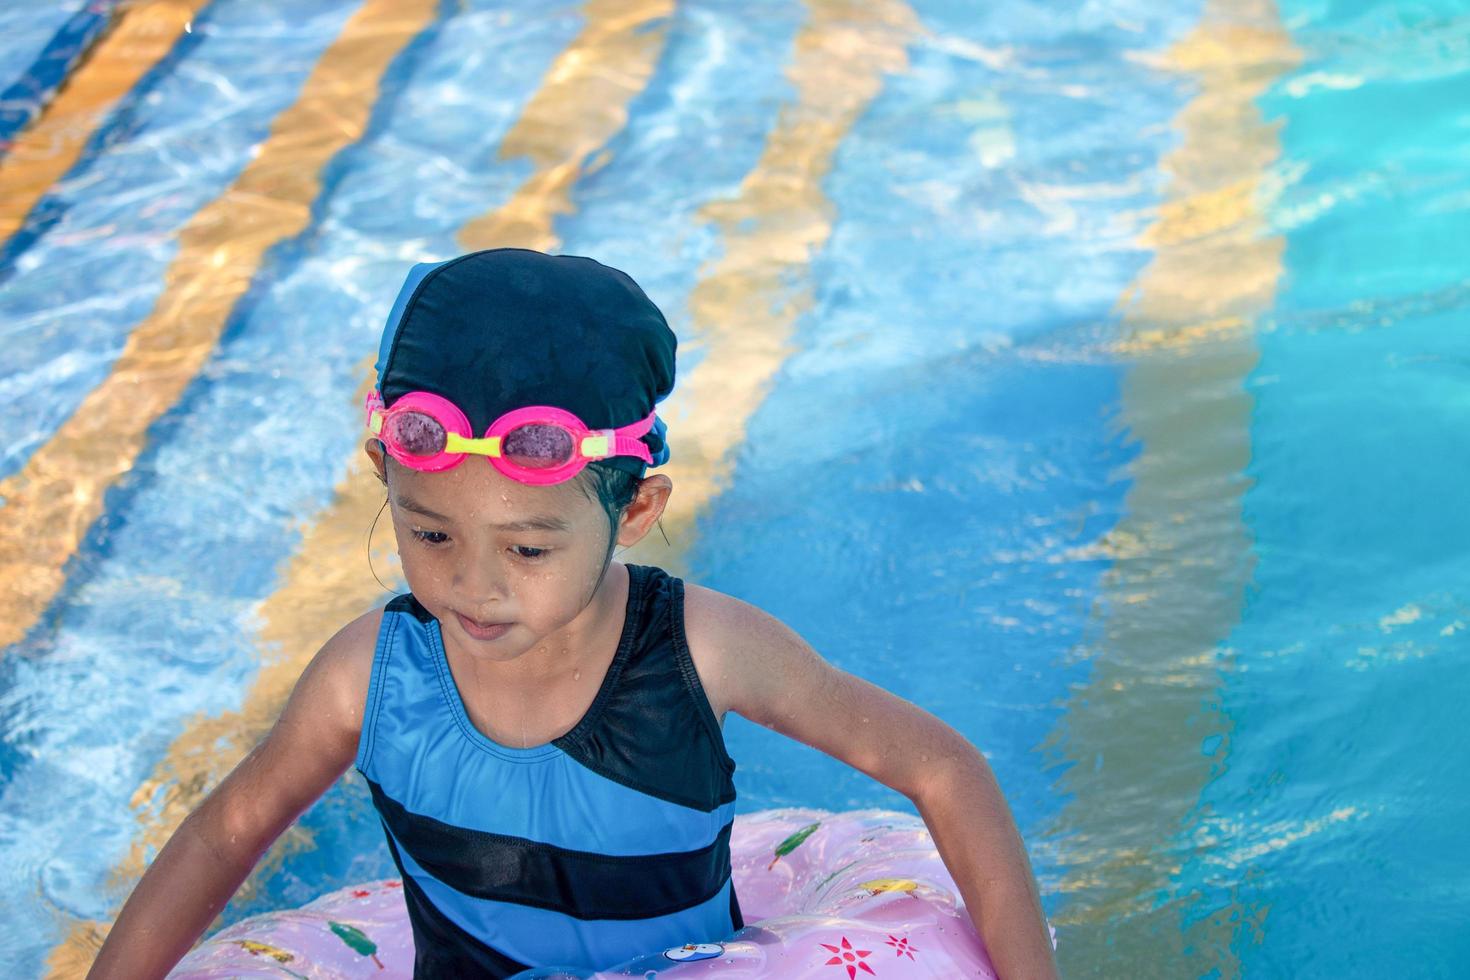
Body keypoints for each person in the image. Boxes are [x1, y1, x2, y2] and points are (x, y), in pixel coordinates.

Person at [88, 248, 1059, 979]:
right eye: (430, 535)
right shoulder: (368, 675)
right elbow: (226, 831)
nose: (476, 583)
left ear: (634, 509)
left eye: (527, 548)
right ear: (386, 475)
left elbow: (942, 765)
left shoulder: (707, 652)